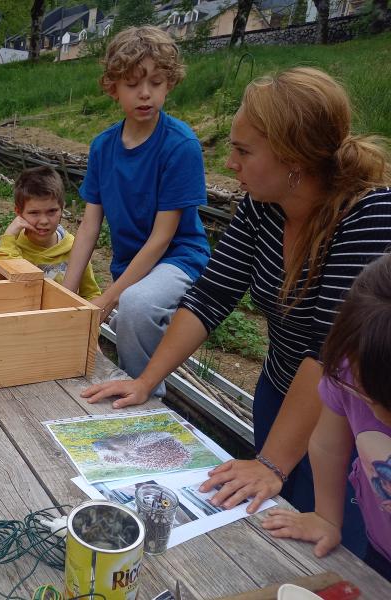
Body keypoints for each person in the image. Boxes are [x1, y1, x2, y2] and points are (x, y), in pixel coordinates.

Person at [81, 67, 391, 551]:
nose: (229, 163)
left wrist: (270, 462)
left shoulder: (369, 217)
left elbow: (328, 352)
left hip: (355, 418)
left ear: (295, 158)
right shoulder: (262, 204)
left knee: (350, 545)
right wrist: (145, 380)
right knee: (277, 529)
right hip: (280, 392)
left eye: (243, 151)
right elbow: (211, 295)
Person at [62, 26, 210, 395]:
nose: (145, 94)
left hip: (179, 258)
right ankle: (133, 384)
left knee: (136, 305)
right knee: (120, 301)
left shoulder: (180, 146)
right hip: (132, 261)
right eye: (132, 84)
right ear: (113, 87)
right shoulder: (102, 147)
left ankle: (147, 397)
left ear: (169, 84)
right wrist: (67, 295)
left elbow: (163, 239)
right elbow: (89, 225)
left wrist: (107, 297)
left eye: (156, 83)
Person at [263, 255, 391, 581]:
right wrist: (327, 517)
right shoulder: (352, 363)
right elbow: (327, 445)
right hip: (382, 547)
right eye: (368, 396)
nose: (377, 414)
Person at [0, 166, 100, 300]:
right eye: (34, 213)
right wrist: (8, 237)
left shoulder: (75, 248)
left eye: (52, 211)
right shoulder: (12, 247)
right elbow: (5, 284)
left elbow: (90, 293)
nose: (44, 221)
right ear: (19, 212)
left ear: (62, 209)